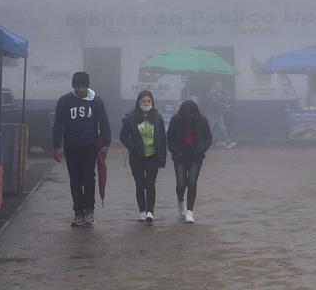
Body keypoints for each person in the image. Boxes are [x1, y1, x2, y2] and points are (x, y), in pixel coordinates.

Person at [53, 72, 111, 226]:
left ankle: (89, 210)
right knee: (75, 179)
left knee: (88, 178)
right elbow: (58, 124)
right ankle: (78, 212)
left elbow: (104, 122)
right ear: (73, 86)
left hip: (90, 146)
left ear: (87, 86)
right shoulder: (65, 101)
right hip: (71, 147)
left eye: (83, 86)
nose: (80, 89)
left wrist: (106, 143)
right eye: (77, 86)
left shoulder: (96, 101)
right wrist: (57, 145)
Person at [119, 90, 167, 222]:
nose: (146, 103)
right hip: (137, 156)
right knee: (140, 184)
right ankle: (142, 210)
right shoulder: (131, 118)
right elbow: (123, 136)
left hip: (153, 156)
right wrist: (132, 147)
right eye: (143, 101)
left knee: (150, 184)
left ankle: (150, 211)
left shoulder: (158, 117)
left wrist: (162, 158)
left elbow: (163, 138)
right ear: (138, 102)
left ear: (152, 102)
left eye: (148, 101)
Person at [167, 100, 212, 223]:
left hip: (196, 156)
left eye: (191, 113)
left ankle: (190, 211)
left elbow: (208, 138)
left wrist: (201, 149)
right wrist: (175, 151)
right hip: (180, 156)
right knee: (181, 183)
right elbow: (169, 138)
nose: (189, 116)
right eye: (186, 114)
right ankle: (181, 202)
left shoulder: (202, 120)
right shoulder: (175, 120)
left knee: (192, 182)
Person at [206, 81, 237, 149]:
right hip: (213, 114)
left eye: (220, 86)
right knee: (210, 129)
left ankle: (228, 142)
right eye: (219, 86)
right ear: (215, 86)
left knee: (223, 128)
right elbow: (215, 103)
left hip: (217, 113)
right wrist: (225, 105)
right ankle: (202, 142)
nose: (220, 87)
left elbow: (217, 102)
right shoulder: (212, 93)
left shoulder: (215, 92)